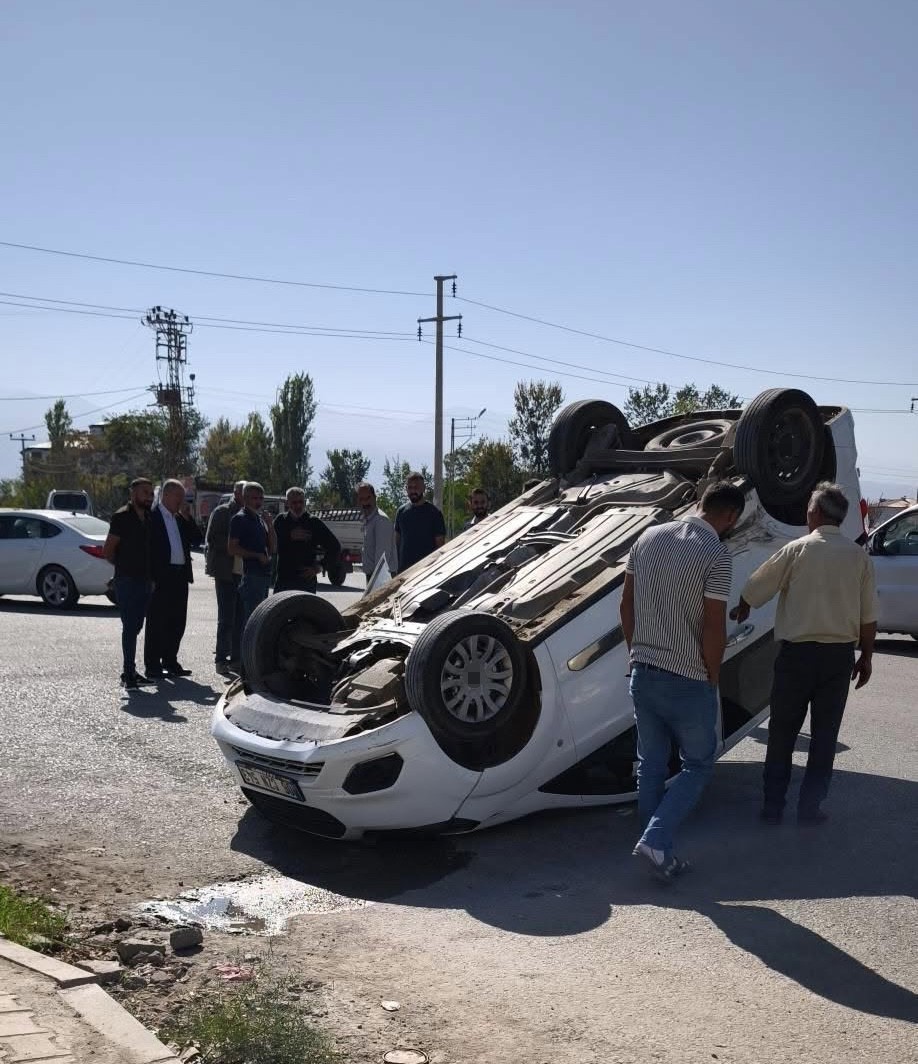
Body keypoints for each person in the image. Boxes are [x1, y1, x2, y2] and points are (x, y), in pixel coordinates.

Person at [620, 480, 746, 882]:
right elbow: (713, 625)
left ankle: (655, 847)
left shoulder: (647, 537)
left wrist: (635, 650)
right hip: (688, 679)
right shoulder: (716, 555)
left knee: (651, 764)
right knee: (698, 765)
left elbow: (626, 604)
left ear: (700, 502)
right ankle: (656, 841)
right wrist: (712, 674)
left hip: (643, 672)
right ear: (730, 516)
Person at [731, 482, 877, 825]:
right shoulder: (859, 557)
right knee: (824, 736)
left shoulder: (797, 550)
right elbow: (869, 616)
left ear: (814, 512)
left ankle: (773, 807)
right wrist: (866, 657)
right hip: (838, 659)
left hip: (796, 657)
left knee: (782, 732)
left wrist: (744, 608)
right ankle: (810, 808)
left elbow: (755, 588)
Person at [144, 479, 203, 679]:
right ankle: (152, 665)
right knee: (157, 621)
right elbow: (147, 549)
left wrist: (188, 518)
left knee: (177, 620)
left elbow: (197, 539)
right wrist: (149, 577)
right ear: (167, 495)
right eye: (178, 496)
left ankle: (170, 660)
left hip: (180, 576)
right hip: (161, 576)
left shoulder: (179, 519)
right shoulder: (152, 517)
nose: (181, 501)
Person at [103, 477, 155, 689]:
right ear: (133, 494)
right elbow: (108, 551)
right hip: (126, 580)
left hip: (145, 580)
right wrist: (124, 568)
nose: (149, 497)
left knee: (136, 626)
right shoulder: (121, 517)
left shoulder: (150, 517)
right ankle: (128, 673)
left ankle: (132, 671)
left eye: (151, 493)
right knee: (129, 626)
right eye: (145, 493)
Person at [206, 480, 244, 677]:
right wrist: (235, 543)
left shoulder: (252, 514)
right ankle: (221, 659)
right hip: (225, 572)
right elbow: (212, 538)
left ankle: (236, 659)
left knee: (241, 618)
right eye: (243, 492)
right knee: (226, 618)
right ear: (236, 493)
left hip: (244, 574)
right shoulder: (222, 512)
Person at [273, 487, 341, 593]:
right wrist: (288, 536)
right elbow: (271, 546)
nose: (298, 506)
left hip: (306, 581)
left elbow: (335, 547)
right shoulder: (281, 521)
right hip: (284, 580)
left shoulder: (313, 522)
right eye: (294, 502)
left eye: (301, 502)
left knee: (305, 610)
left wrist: (320, 567)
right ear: (287, 503)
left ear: (305, 502)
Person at [228, 481, 276, 629]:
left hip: (264, 576)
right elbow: (232, 548)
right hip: (251, 576)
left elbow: (273, 548)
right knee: (251, 622)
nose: (259, 502)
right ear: (246, 498)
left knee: (260, 621)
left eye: (261, 498)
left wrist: (270, 524)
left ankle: (251, 651)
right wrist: (256, 555)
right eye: (255, 498)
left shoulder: (260, 520)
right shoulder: (240, 518)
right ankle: (244, 652)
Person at [394, 472, 446, 574]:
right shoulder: (401, 511)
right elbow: (396, 543)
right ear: (406, 489)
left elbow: (440, 546)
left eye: (416, 487)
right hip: (403, 573)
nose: (413, 490)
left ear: (423, 488)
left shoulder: (434, 513)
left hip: (425, 573)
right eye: (410, 487)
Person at [357, 482, 396, 581]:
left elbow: (382, 559)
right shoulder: (369, 520)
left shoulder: (380, 520)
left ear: (375, 497)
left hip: (381, 577)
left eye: (368, 498)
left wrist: (376, 582)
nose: (365, 502)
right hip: (374, 576)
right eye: (362, 499)